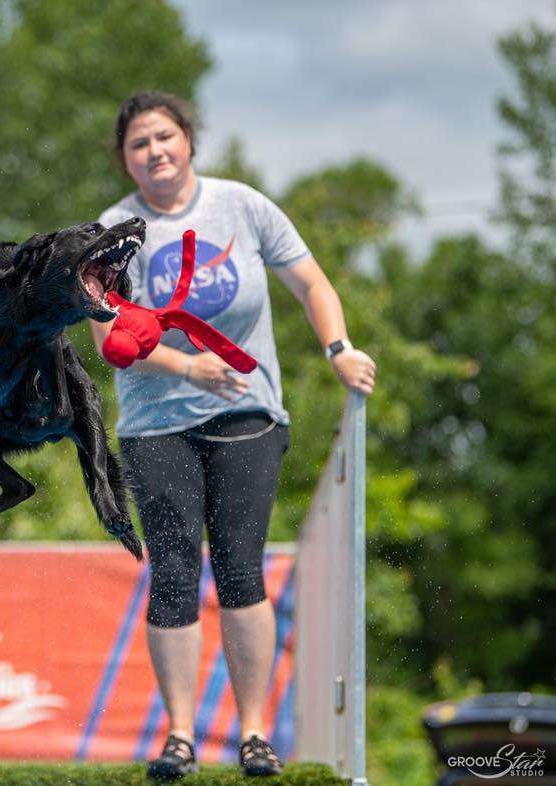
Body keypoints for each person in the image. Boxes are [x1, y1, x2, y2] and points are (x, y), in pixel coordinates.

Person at [89, 91, 376, 780]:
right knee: (175, 573)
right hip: (156, 423)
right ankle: (181, 738)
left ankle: (253, 736)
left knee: (241, 568)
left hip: (246, 413)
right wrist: (188, 365)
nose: (154, 151)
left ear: (187, 141)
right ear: (125, 160)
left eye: (164, 137)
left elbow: (311, 284)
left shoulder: (241, 206)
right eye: (138, 144)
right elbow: (107, 337)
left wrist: (337, 348)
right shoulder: (111, 230)